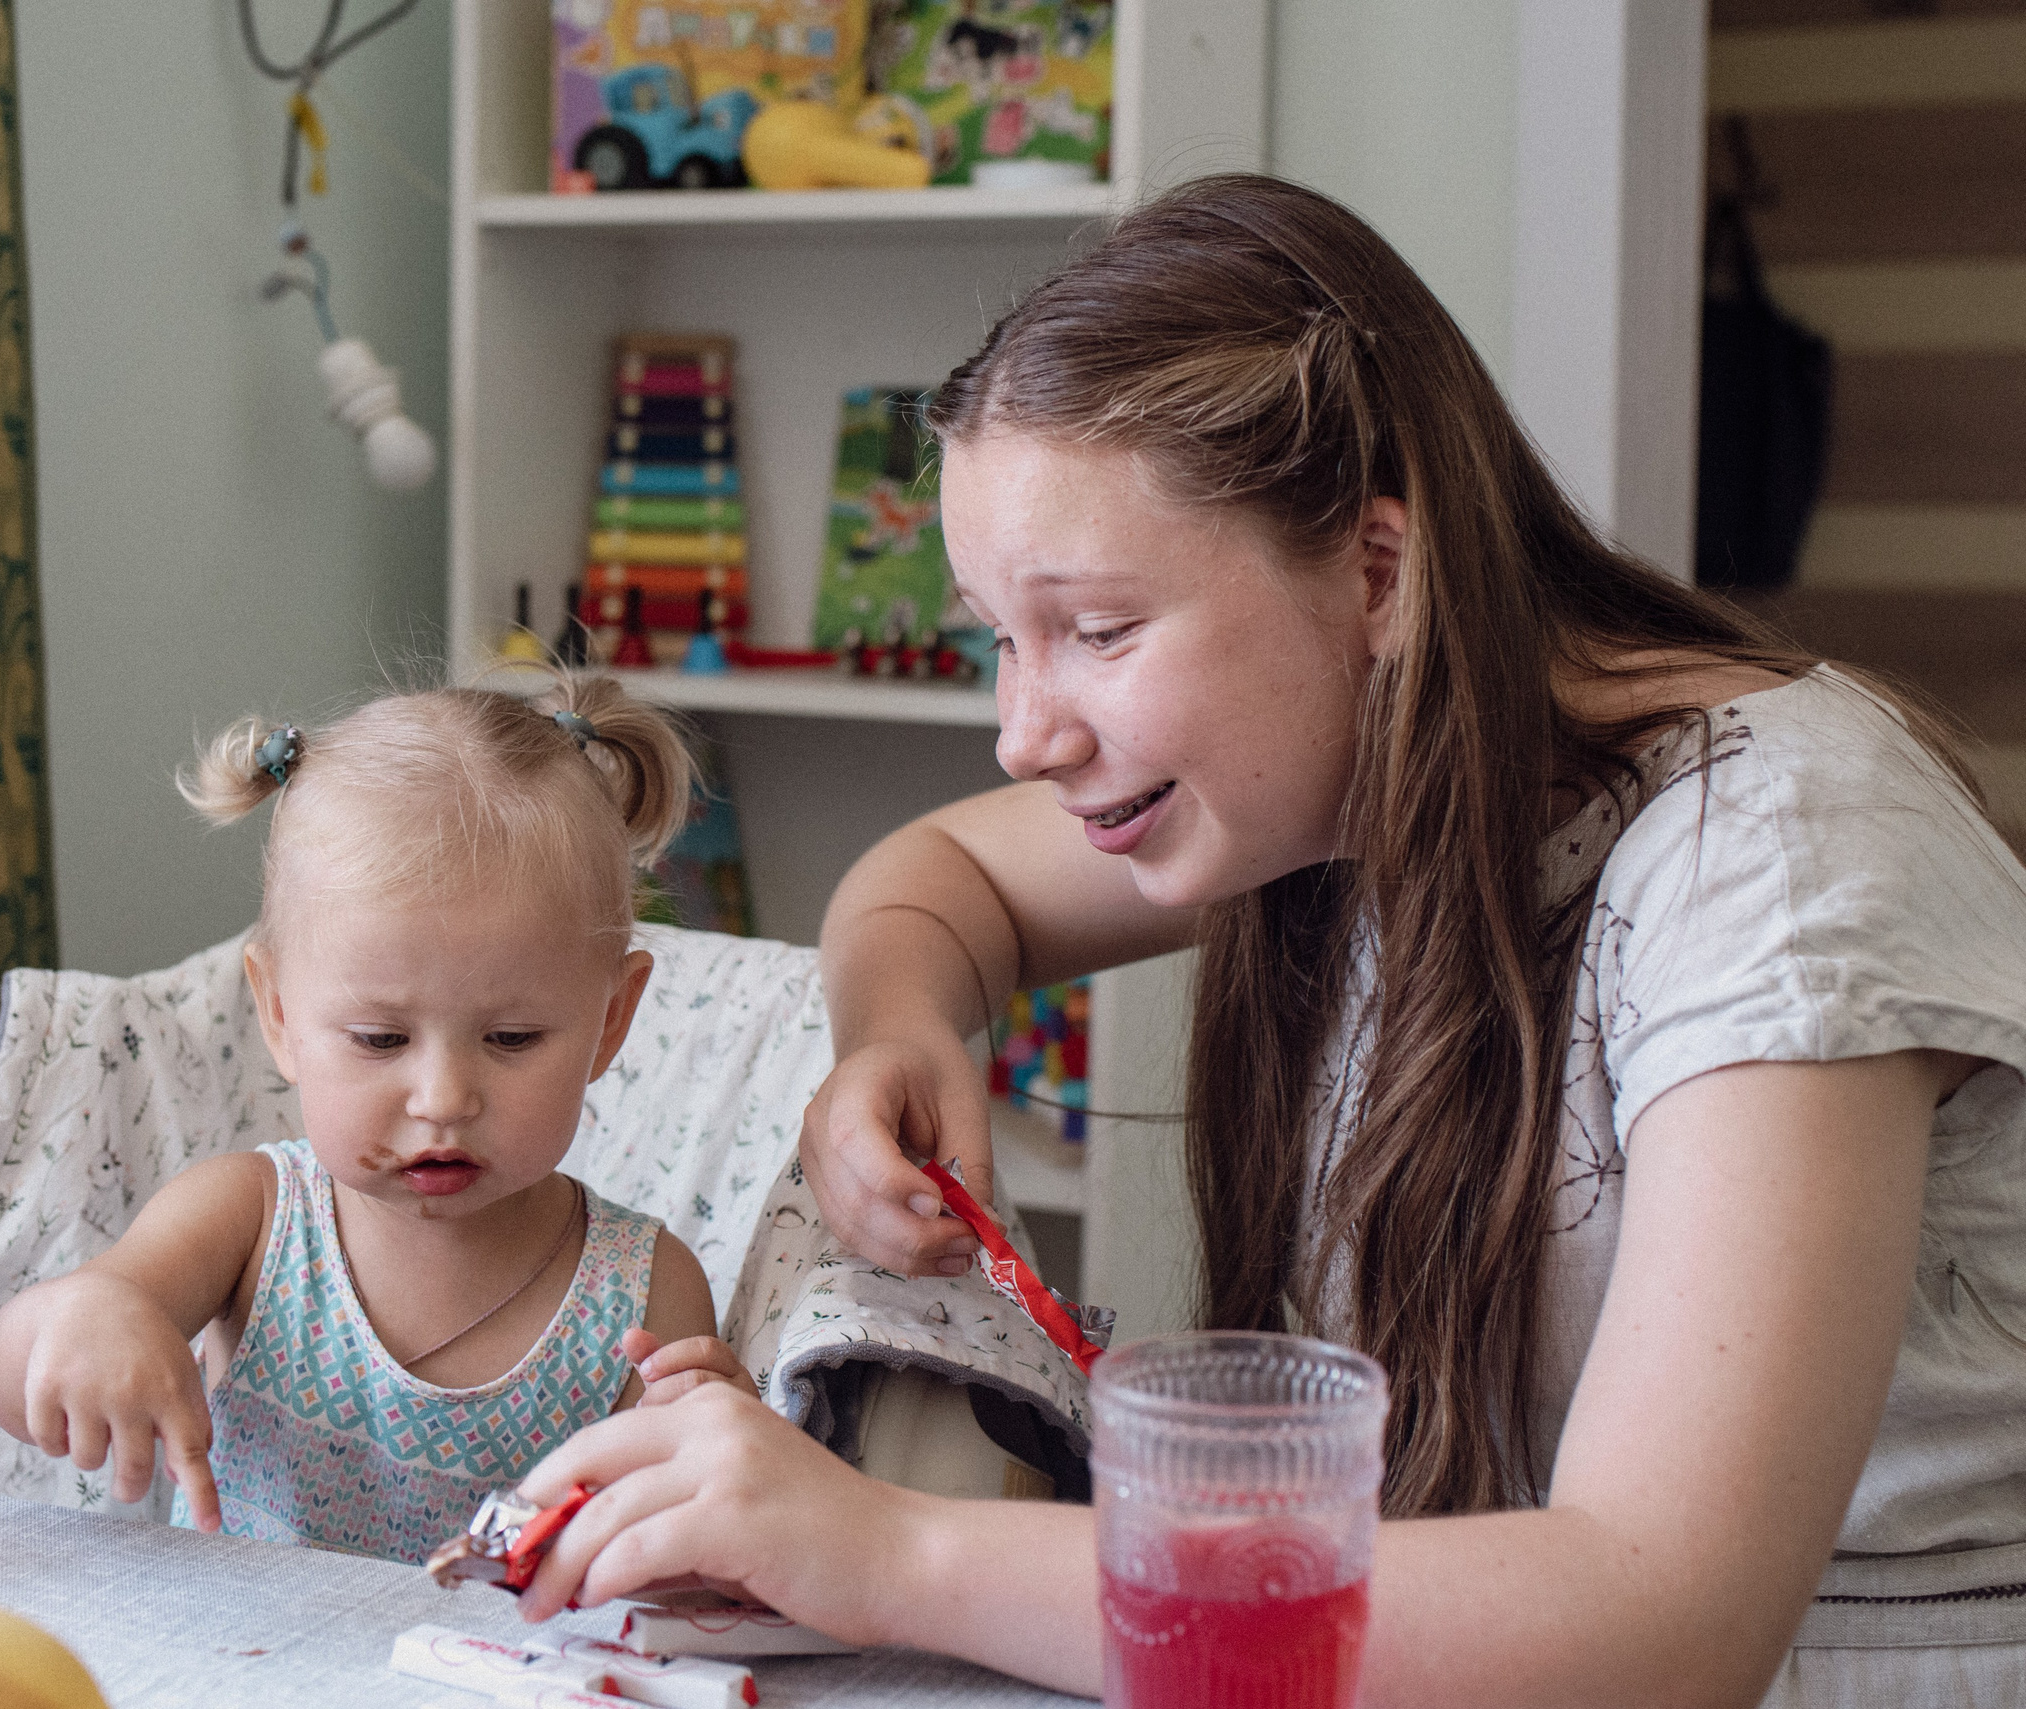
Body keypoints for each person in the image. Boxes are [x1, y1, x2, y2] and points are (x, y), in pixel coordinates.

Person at [508, 175, 2026, 1708]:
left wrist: (887, 1549)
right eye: (996, 638)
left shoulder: (1776, 865)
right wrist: (900, 1029)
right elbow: (935, 877)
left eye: (1098, 631)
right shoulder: (1347, 779)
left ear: (1378, 575)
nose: (1024, 733)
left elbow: (1659, 1622)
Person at [0, 676, 754, 1561]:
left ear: (610, 1021)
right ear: (278, 1016)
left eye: (511, 1037)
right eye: (382, 1038)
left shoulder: (645, 1290)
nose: (443, 1097)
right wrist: (89, 1314)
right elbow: (8, 1379)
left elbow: (675, 1562)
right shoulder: (249, 1220)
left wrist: (705, 1465)